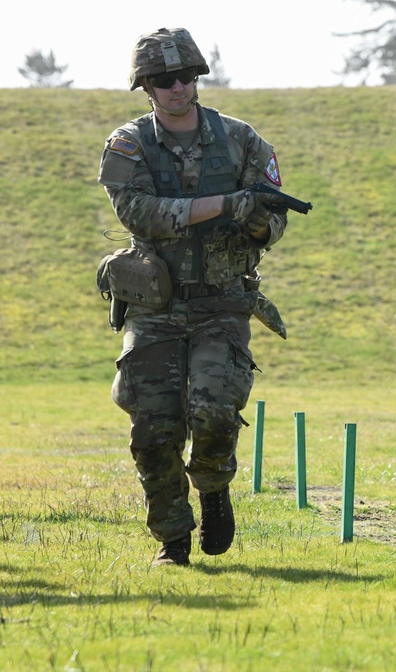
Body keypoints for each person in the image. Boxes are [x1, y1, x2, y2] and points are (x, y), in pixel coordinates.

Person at [97, 28, 288, 567]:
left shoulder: (241, 140)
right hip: (154, 306)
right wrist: (224, 205)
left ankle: (213, 487)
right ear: (146, 88)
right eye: (163, 80)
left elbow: (273, 226)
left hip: (222, 303)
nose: (176, 87)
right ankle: (173, 541)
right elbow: (140, 214)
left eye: (185, 77)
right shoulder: (128, 145)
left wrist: (254, 223)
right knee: (154, 429)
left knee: (214, 411)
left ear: (197, 78)